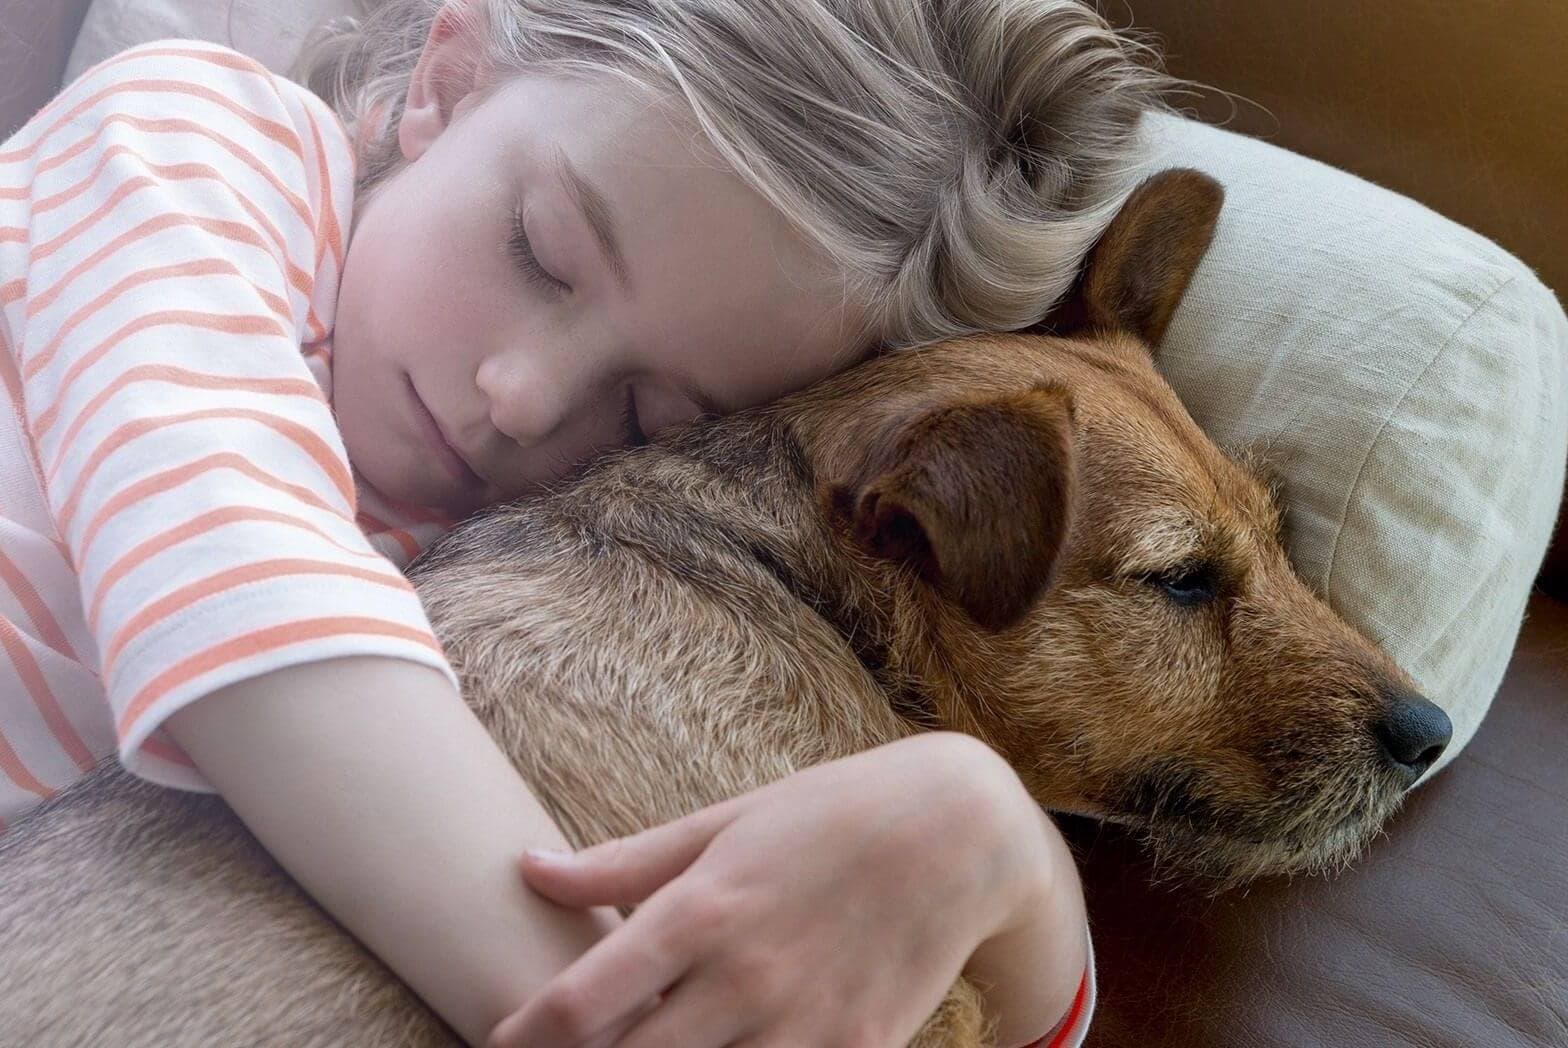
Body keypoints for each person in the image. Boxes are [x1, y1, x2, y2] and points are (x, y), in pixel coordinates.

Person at [0, 0, 1175, 1043]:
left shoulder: (521, 559)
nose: (521, 396)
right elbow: (244, 596)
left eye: (647, 411)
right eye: (540, 253)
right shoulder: (192, 140)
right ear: (447, 78)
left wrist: (1003, 857)